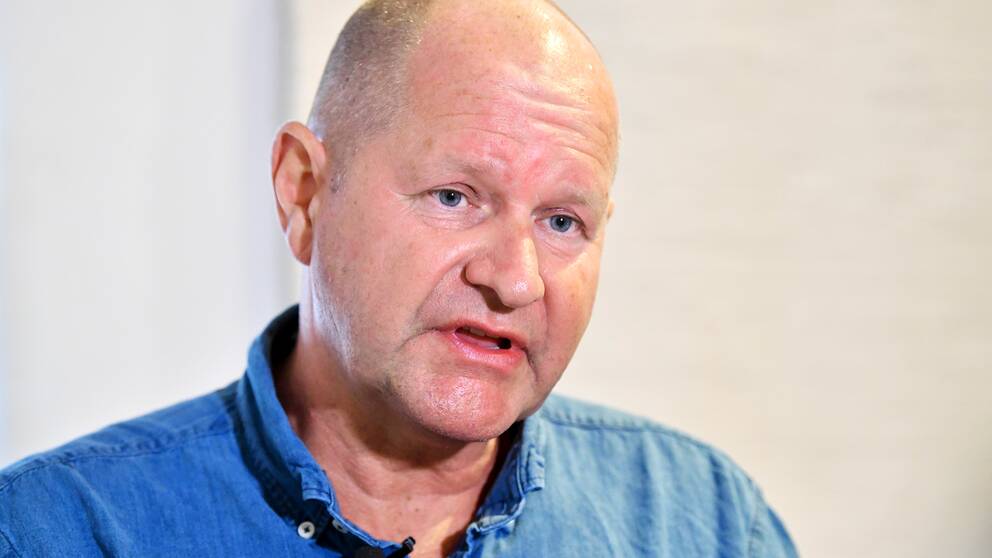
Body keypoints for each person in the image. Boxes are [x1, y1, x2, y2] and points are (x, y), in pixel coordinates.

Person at [0, 0, 797, 556]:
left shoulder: (706, 524)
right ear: (304, 192)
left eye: (562, 222)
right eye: (454, 197)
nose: (514, 280)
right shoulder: (59, 532)